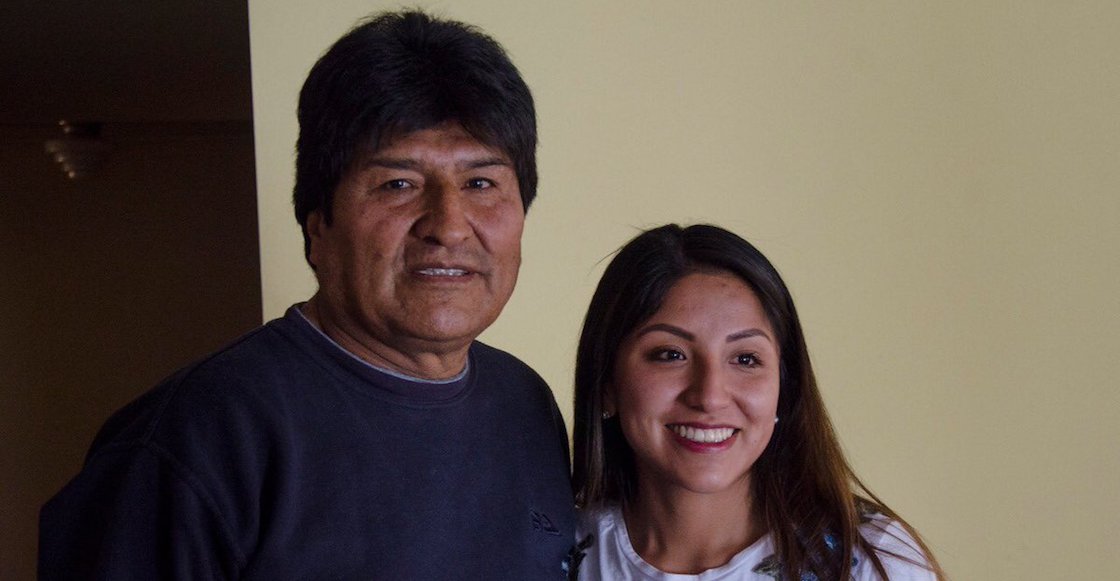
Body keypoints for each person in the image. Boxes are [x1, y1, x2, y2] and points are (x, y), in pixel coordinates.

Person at [39, 10, 576, 579]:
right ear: (317, 224)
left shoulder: (526, 404)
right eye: (398, 184)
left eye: (481, 183)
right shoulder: (198, 438)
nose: (448, 225)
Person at [569, 224, 942, 580]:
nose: (710, 396)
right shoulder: (557, 553)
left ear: (784, 387)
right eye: (670, 355)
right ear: (607, 383)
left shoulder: (871, 562)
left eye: (746, 359)